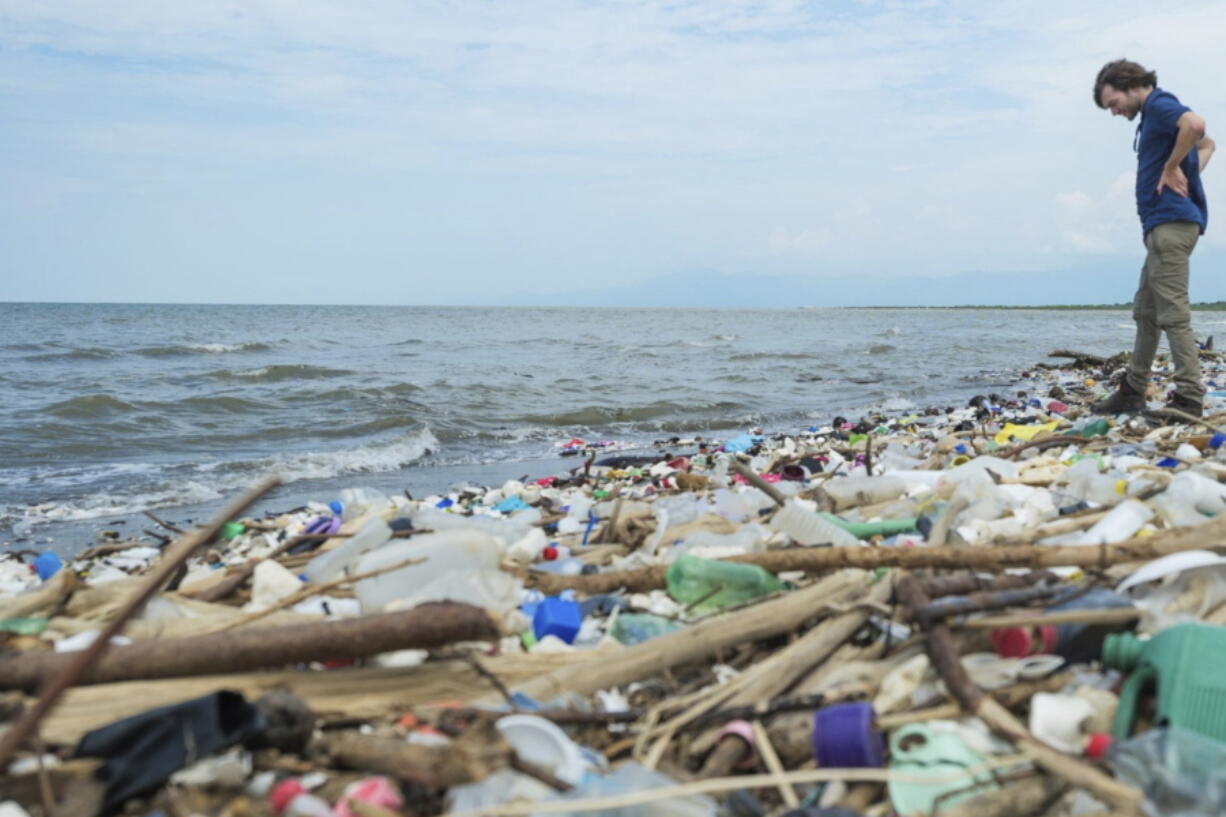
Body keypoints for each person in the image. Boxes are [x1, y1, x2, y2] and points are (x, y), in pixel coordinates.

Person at [1091, 59, 1215, 418]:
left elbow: (1196, 126)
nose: (1114, 112)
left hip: (1171, 226)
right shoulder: (1154, 116)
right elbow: (1207, 144)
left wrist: (1172, 166)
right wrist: (1185, 170)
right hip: (1165, 225)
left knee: (1172, 315)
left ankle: (1190, 399)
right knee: (1146, 313)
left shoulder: (1158, 104)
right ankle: (1132, 391)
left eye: (1113, 103)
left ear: (1131, 86)